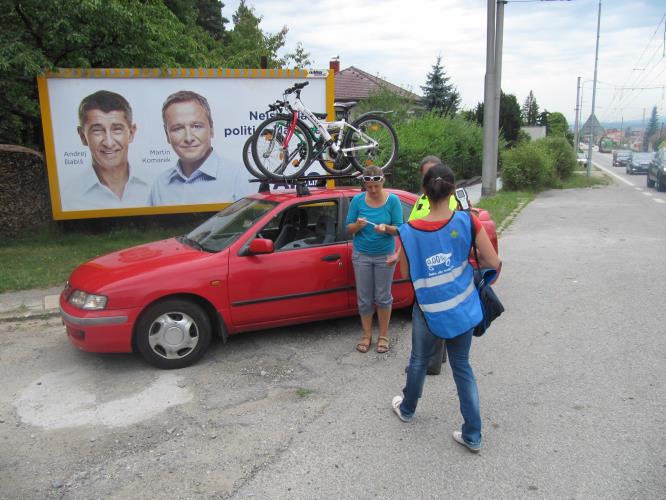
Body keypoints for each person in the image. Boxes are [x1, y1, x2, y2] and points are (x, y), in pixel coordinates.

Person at [391, 163, 501, 453]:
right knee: (462, 367)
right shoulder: (468, 221)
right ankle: (473, 435)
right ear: (453, 190)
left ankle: (408, 409)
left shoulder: (408, 230)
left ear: (424, 193)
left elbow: (404, 273)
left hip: (427, 310)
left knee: (418, 361)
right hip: (462, 307)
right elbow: (493, 262)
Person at [346, 166, 403, 354]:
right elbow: (349, 229)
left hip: (384, 255)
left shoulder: (392, 201)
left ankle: (384, 336)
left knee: (383, 297)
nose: (372, 190)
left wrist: (386, 228)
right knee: (364, 299)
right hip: (361, 255)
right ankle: (366, 335)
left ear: (382, 181)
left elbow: (400, 229)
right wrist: (358, 225)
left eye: (375, 186)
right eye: (369, 187)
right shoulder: (357, 200)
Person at [149, 90, 236, 206]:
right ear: (167, 135)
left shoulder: (240, 177)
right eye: (178, 128)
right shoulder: (160, 185)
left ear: (212, 129)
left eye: (196, 126)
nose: (189, 138)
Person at [65, 90, 149, 210]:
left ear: (131, 133)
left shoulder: (156, 185)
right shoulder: (68, 197)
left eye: (117, 129)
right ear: (83, 136)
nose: (109, 143)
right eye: (97, 130)